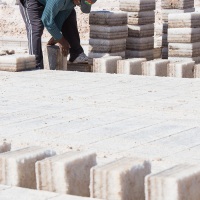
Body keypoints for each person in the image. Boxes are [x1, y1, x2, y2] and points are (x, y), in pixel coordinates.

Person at [19, 0, 97, 69]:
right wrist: (61, 40)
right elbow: (46, 19)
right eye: (80, 2)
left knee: (70, 14)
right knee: (36, 28)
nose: (77, 4)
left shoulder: (72, 2)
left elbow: (62, 17)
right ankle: (35, 65)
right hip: (31, 1)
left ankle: (76, 54)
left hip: (49, 2)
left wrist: (56, 36)